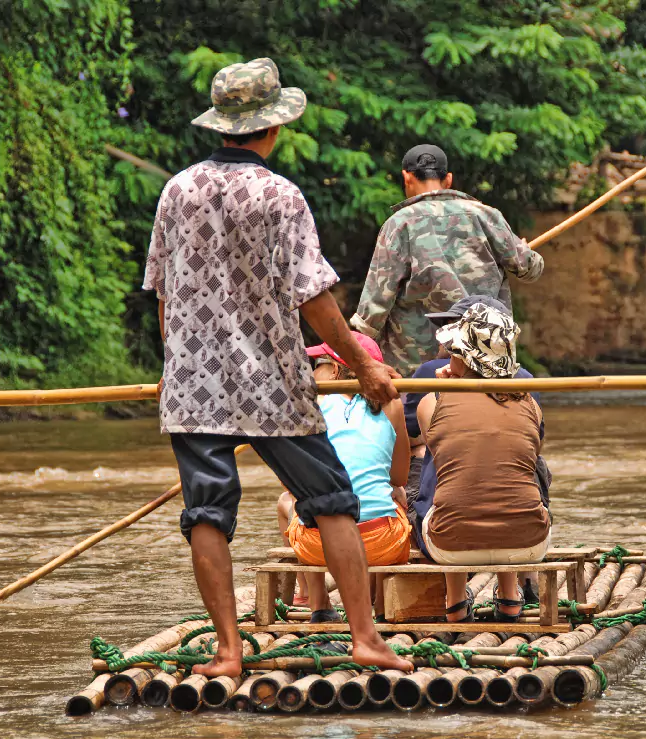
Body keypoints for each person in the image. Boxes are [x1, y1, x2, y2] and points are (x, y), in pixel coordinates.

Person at [144, 57, 410, 678]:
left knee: (206, 512)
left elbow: (165, 292)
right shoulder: (280, 195)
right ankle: (366, 639)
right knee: (332, 498)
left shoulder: (177, 190)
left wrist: (172, 363)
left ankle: (227, 652)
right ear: (272, 128)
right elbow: (313, 298)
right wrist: (363, 367)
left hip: (194, 385)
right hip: (271, 383)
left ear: (220, 125)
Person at [351, 143, 545, 375]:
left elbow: (374, 306)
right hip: (484, 364)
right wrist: (524, 250)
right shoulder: (487, 216)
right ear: (449, 179)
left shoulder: (399, 224)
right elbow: (531, 269)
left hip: (416, 370)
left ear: (407, 177)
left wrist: (353, 354)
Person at [415, 304, 551, 624]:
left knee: (446, 474)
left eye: (454, 352)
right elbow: (530, 455)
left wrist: (444, 389)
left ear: (465, 358)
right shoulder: (531, 404)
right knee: (505, 469)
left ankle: (455, 602)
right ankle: (510, 597)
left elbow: (440, 452)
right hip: (530, 543)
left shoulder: (431, 402)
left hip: (450, 544)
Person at [276, 332, 412, 620]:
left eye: (319, 365)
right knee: (395, 495)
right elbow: (399, 476)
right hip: (383, 543)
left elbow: (289, 482)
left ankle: (318, 603)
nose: (313, 373)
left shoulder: (311, 404)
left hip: (318, 547)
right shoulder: (392, 403)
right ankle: (379, 603)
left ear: (335, 370)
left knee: (289, 499)